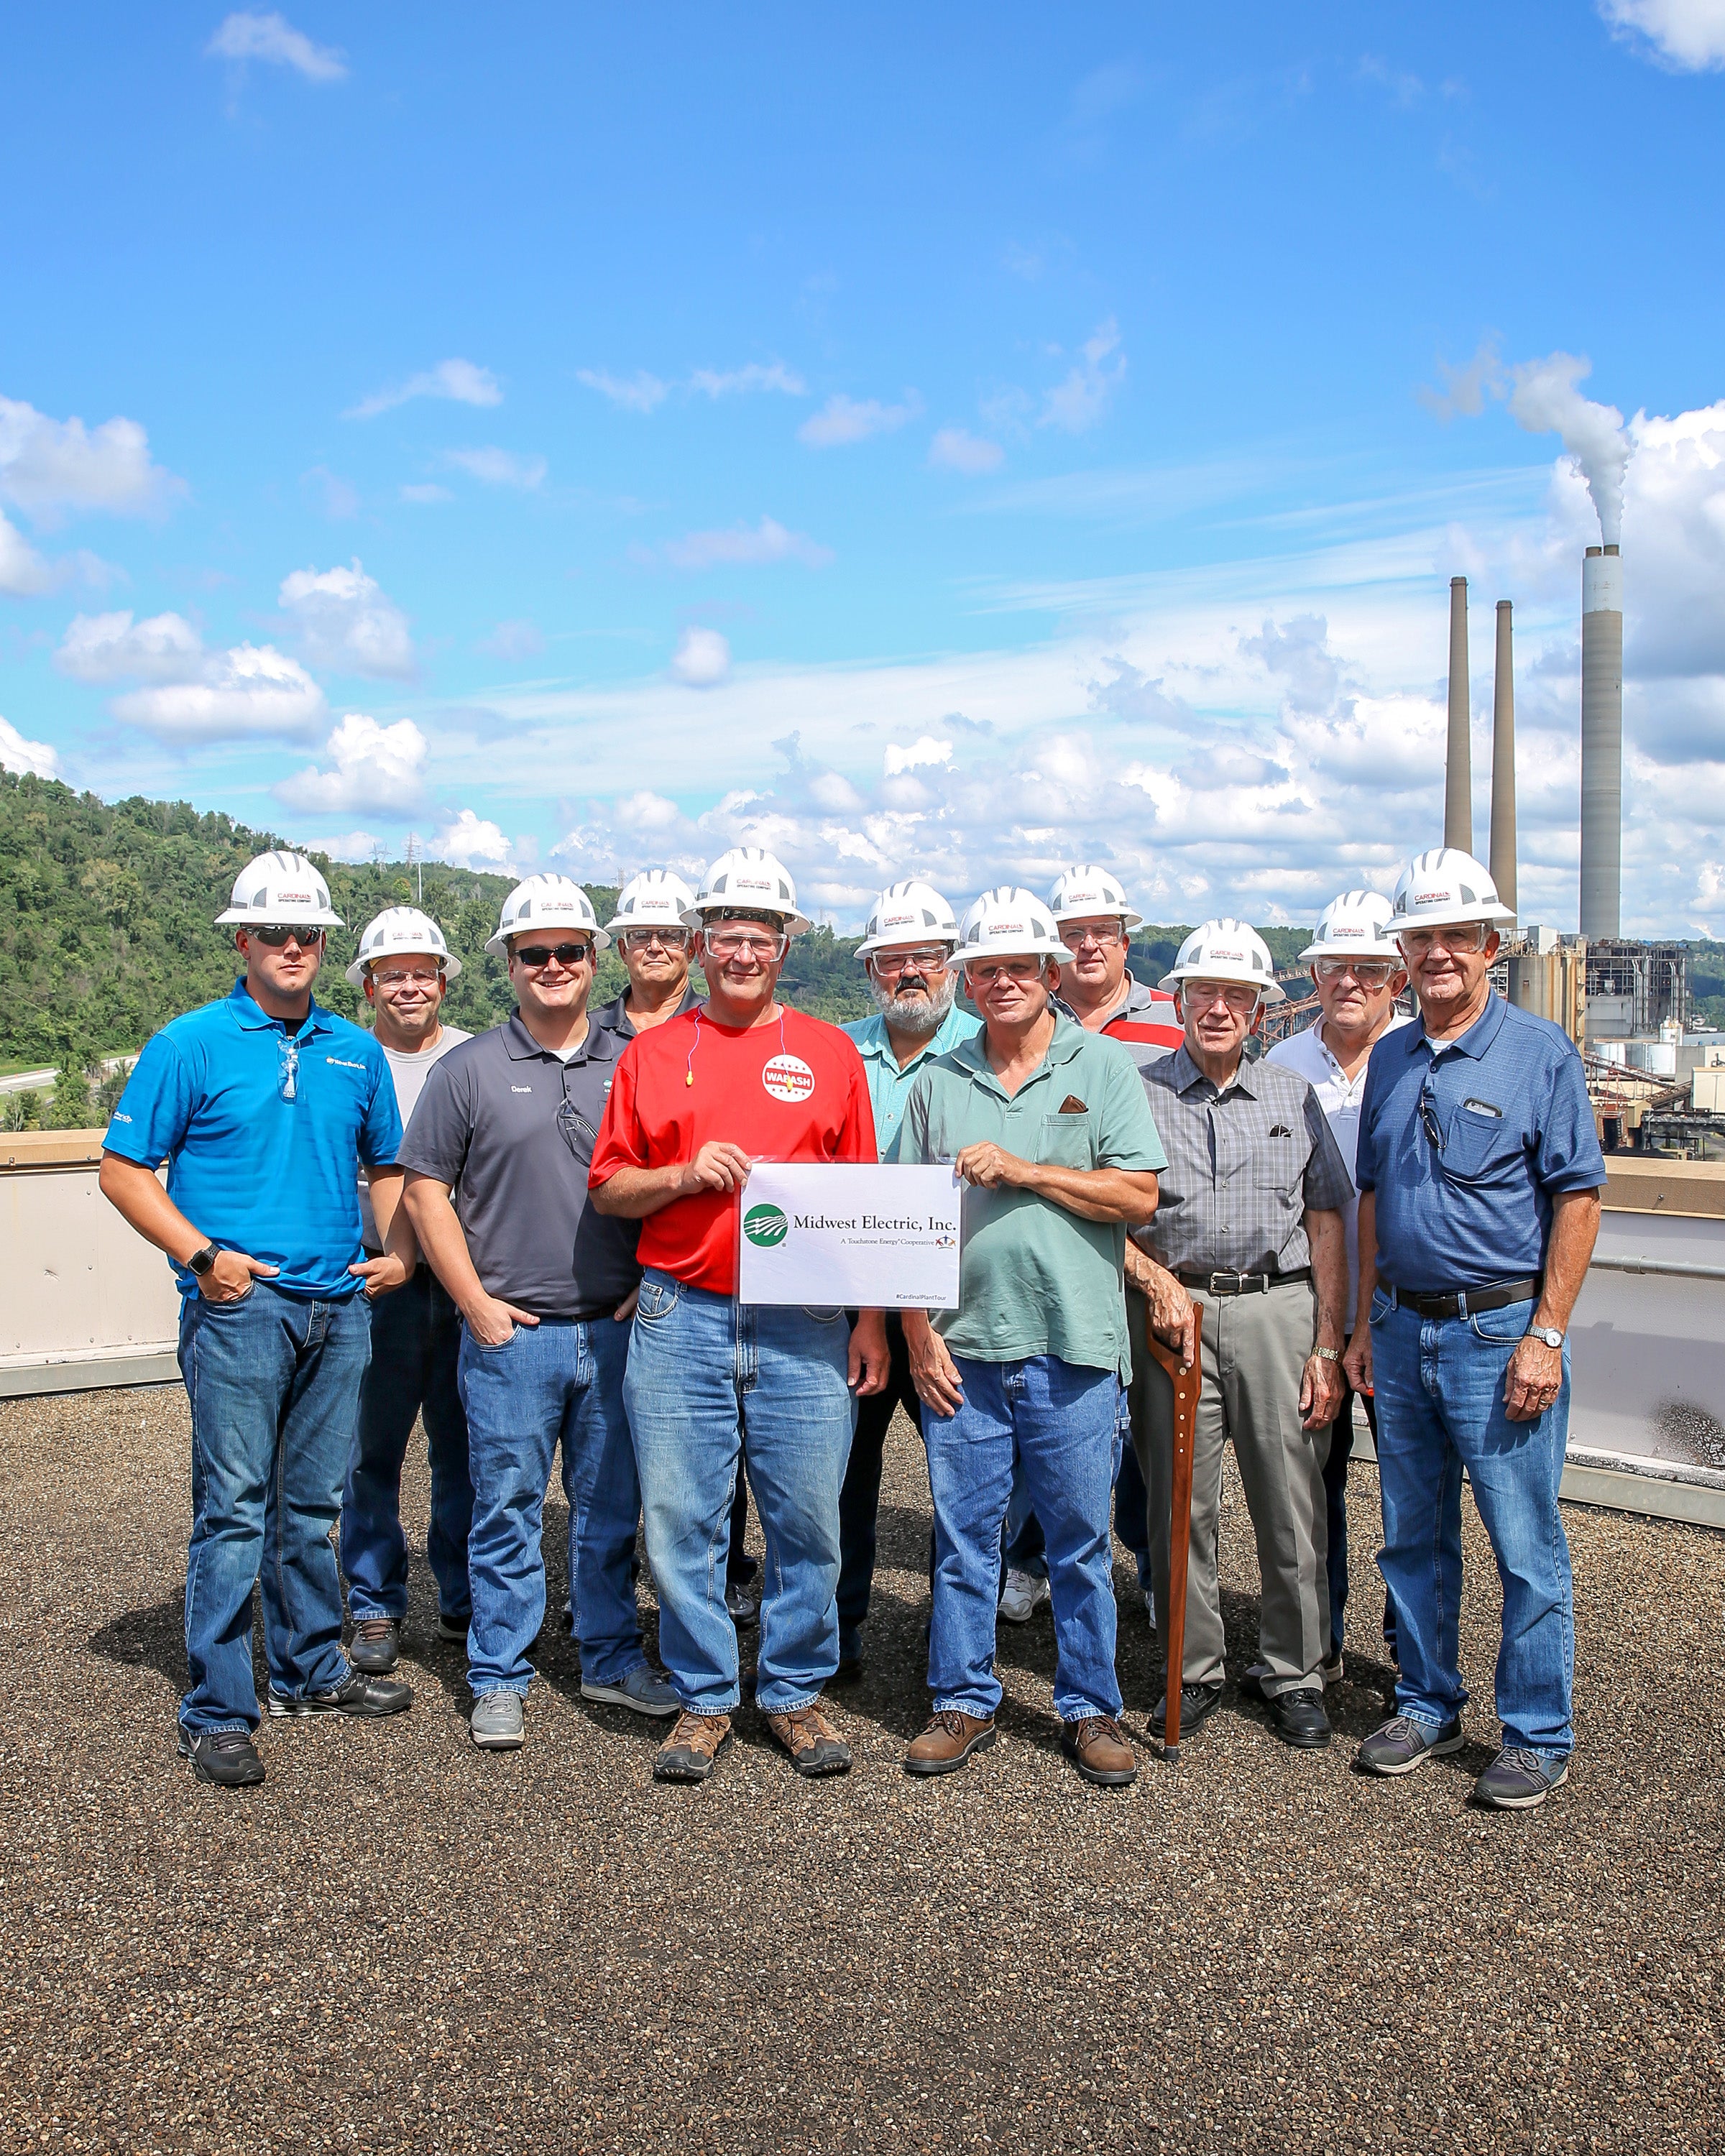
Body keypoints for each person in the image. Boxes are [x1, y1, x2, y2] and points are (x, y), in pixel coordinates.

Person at [98, 851, 413, 1789]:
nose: (291, 947)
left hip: (339, 1307)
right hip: (242, 1308)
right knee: (234, 1511)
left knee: (312, 1507)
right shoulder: (190, 1044)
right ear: (241, 940)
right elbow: (123, 1172)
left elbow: (388, 1165)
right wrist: (204, 1259)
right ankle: (219, 1709)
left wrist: (395, 1251)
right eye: (273, 933)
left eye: (307, 934)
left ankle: (314, 1670)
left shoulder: (355, 1050)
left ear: (323, 943)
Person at [589, 845, 889, 1784]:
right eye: (728, 937)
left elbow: (864, 1202)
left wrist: (871, 1320)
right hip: (682, 1314)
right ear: (700, 945)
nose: (744, 954)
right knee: (683, 1516)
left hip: (803, 1318)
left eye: (761, 937)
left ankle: (794, 1691)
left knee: (809, 1520)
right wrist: (683, 1175)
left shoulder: (830, 1052)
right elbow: (608, 1187)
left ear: (785, 947)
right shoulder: (653, 1052)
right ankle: (707, 1696)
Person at [1347, 848, 1605, 1810]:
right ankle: (1426, 1700)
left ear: (1493, 946)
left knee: (1524, 1543)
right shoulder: (1393, 1058)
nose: (1441, 954)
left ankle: (1536, 1734)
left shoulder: (1539, 1053)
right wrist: (1367, 1321)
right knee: (1412, 1536)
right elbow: (1375, 1195)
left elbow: (1578, 1196)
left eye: (1459, 936)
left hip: (1500, 1334)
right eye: (1424, 939)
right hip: (1403, 1332)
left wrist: (1549, 1332)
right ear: (1404, 954)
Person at [893, 888, 1168, 1786]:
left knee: (1080, 1540)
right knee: (964, 1537)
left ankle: (1091, 1709)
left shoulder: (1105, 1067)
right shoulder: (939, 1079)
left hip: (1076, 1345)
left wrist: (1026, 1170)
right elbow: (902, 1222)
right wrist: (916, 1337)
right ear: (966, 981)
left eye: (1020, 967)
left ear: (1052, 975)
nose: (1003, 982)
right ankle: (962, 1700)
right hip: (963, 1348)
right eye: (986, 969)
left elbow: (1137, 1197)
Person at [400, 875, 676, 1751]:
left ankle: (606, 1655)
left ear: (596, 961)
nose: (552, 966)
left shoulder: (637, 1061)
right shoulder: (468, 1069)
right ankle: (499, 1673)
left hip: (615, 1328)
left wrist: (647, 1280)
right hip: (509, 1335)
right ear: (510, 966)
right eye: (534, 954)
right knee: (507, 1506)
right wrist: (473, 1302)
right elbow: (424, 1192)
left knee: (609, 1508)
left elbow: (667, 1182)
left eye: (568, 951)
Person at [1131, 919, 1353, 1751]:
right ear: (1178, 1000)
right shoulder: (1140, 1091)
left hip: (1276, 1310)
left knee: (1290, 1499)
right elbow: (1107, 1203)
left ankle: (1294, 1671)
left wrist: (1327, 1343)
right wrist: (1149, 1280)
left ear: (1260, 1011)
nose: (1218, 1009)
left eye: (1236, 996)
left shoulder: (1293, 1097)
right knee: (1179, 1502)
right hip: (1172, 1313)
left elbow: (1326, 1217)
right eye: (1204, 994)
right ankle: (1193, 1672)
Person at [595, 868, 760, 1628]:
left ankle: (719, 1586)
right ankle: (617, 1612)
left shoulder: (729, 1031)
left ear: (692, 948)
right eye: (640, 937)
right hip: (624, 1281)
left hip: (691, 1283)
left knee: (715, 1466)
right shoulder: (587, 1039)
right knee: (628, 1475)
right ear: (619, 949)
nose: (655, 948)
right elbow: (606, 1175)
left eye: (668, 935)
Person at [837, 880, 980, 1678]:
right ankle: (841, 1626)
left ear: (951, 964)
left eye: (925, 957)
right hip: (851, 1310)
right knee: (840, 1479)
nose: (911, 974)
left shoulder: (986, 1049)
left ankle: (955, 1645)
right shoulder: (830, 1054)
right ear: (871, 971)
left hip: (952, 1313)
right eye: (893, 961)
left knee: (962, 1483)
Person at [1266, 890, 1410, 1680]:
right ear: (1313, 975)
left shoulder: (1421, 1056)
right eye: (1334, 968)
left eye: (1368, 969)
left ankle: (1403, 1650)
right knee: (1310, 1486)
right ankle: (1316, 1642)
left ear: (1396, 979)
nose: (1349, 982)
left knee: (1409, 1492)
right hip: (1308, 1312)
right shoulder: (1281, 1067)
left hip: (1397, 1313)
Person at [1044, 863, 1183, 1626]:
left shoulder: (1172, 1018)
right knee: (1051, 1409)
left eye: (1101, 932)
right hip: (1064, 1247)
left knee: (1152, 1432)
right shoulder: (1030, 1020)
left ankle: (1154, 1561)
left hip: (1153, 1248)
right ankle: (1033, 1560)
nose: (1088, 946)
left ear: (1127, 941)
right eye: (1072, 935)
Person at [338, 907, 474, 1676]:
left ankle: (459, 1594)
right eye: (394, 975)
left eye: (425, 973)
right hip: (377, 1282)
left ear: (445, 982)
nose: (411, 988)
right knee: (373, 1455)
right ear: (368, 986)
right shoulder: (348, 1060)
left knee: (463, 1450)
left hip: (460, 1285)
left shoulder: (473, 1058)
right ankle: (374, 1603)